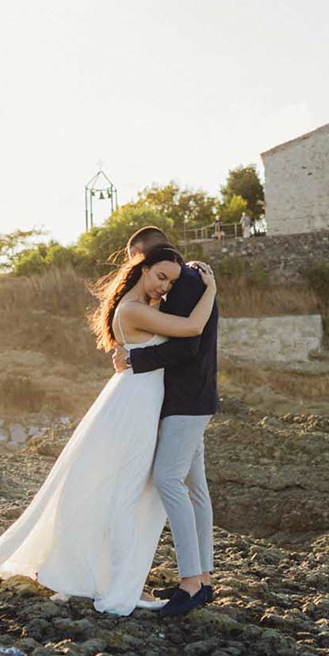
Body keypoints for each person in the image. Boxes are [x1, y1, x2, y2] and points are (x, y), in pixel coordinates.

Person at [0, 245, 217, 616]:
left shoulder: (147, 308)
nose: (165, 287)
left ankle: (183, 578)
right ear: (142, 269)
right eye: (160, 277)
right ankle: (123, 579)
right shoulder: (133, 310)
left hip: (148, 403)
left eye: (171, 281)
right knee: (129, 491)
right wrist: (211, 289)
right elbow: (192, 329)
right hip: (135, 406)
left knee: (135, 491)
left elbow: (180, 337)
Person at [111, 224, 221, 617]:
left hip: (186, 399)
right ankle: (203, 580)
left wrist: (136, 360)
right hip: (192, 397)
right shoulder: (188, 277)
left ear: (143, 253)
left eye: (135, 258)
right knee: (195, 487)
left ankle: (191, 583)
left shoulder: (188, 280)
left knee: (167, 480)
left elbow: (189, 344)